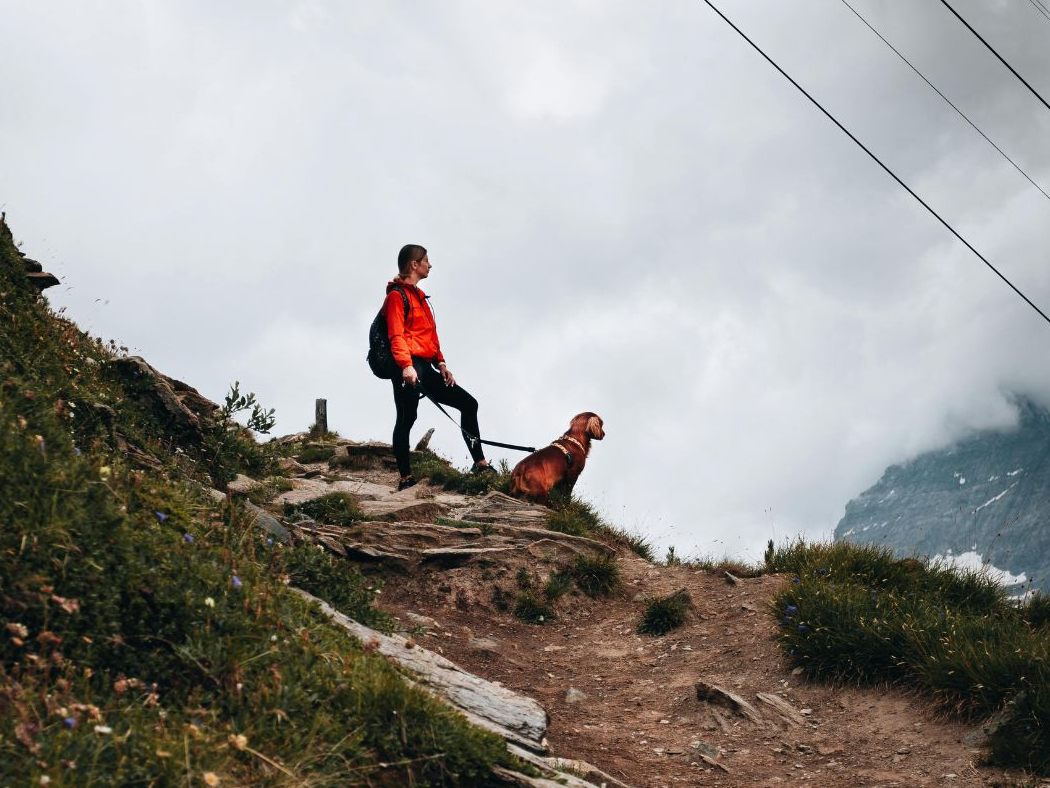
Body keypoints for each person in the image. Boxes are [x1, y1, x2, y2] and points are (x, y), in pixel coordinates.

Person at [385, 244, 495, 491]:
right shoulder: (396, 297)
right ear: (414, 265)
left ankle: (480, 463)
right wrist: (406, 366)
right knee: (406, 418)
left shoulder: (420, 297)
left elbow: (429, 337)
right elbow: (396, 335)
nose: (430, 265)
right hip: (409, 367)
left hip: (425, 365)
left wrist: (442, 363)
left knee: (469, 404)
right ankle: (405, 478)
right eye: (426, 260)